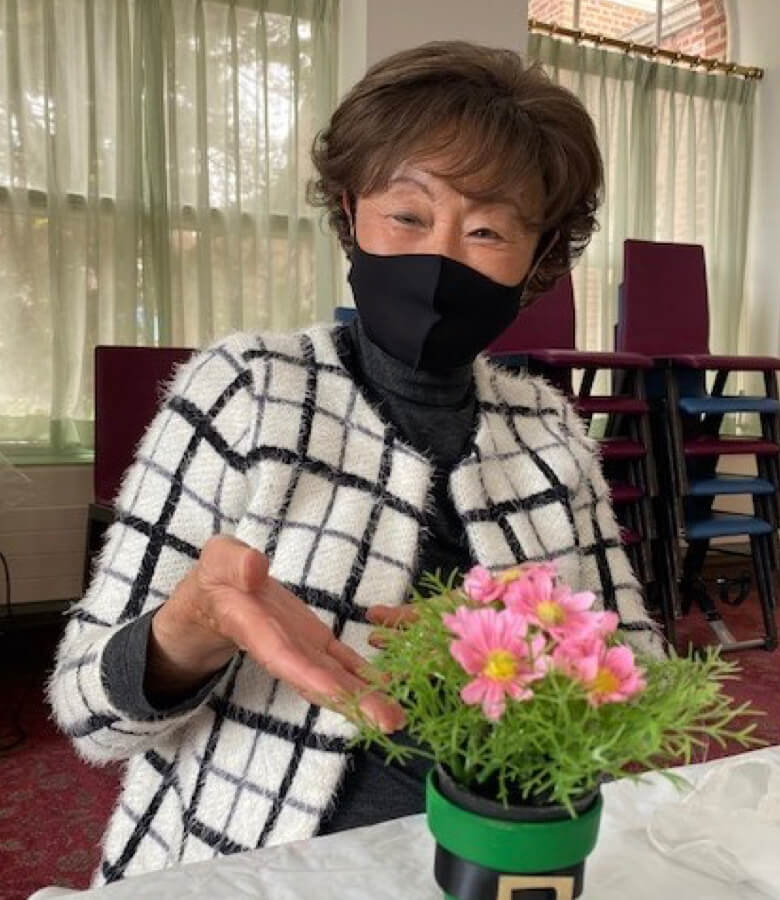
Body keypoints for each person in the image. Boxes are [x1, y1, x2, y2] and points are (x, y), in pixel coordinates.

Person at [49, 40, 663, 885]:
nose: (442, 257)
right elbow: (86, 713)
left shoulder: (552, 437)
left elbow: (643, 680)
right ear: (350, 209)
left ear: (538, 258)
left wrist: (553, 664)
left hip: (497, 858)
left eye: (487, 229)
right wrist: (190, 630)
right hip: (255, 862)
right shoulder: (247, 390)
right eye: (408, 216)